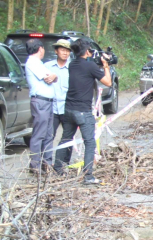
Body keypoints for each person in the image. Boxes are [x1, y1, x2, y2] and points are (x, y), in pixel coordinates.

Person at [54, 39, 112, 184]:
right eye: (90, 50)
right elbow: (108, 83)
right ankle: (88, 176)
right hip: (83, 111)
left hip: (68, 109)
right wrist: (106, 66)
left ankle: (58, 170)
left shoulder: (72, 64)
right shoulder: (90, 65)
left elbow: (85, 70)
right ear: (87, 51)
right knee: (89, 142)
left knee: (66, 139)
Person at [24, 38, 58, 173]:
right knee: (39, 134)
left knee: (49, 134)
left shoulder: (39, 63)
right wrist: (53, 76)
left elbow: (54, 77)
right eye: (43, 48)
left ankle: (47, 163)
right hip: (40, 102)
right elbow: (49, 78)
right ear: (40, 49)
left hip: (48, 102)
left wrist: (53, 75)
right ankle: (35, 165)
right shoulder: (32, 62)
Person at [44, 39, 71, 141]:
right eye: (62, 50)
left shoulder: (72, 67)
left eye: (67, 50)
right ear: (56, 51)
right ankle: (46, 157)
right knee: (49, 136)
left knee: (68, 138)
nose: (65, 53)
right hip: (52, 108)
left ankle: (64, 157)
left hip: (67, 108)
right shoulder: (47, 66)